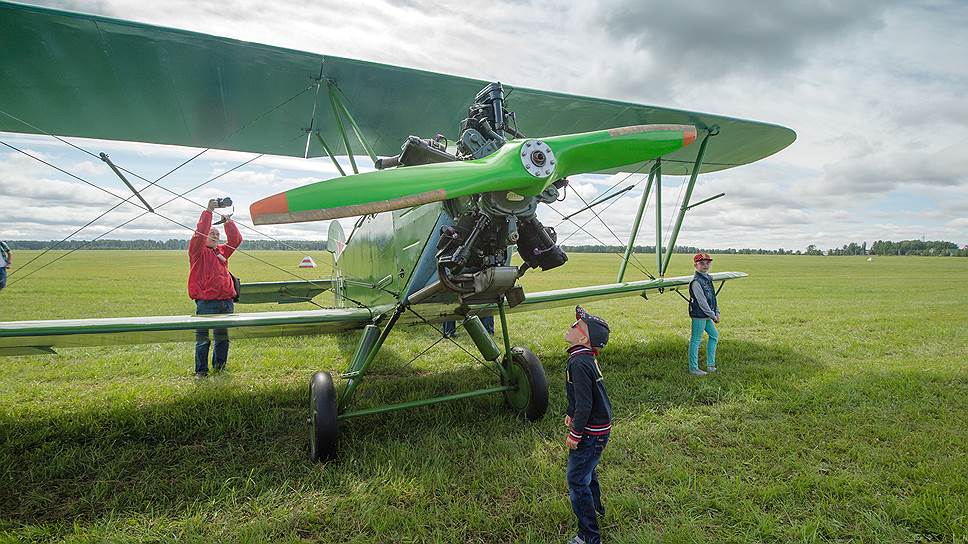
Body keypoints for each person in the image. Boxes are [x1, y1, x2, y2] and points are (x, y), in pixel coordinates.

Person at [563, 305, 612, 544]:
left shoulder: (578, 363)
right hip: (599, 428)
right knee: (588, 471)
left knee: (576, 479)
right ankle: (597, 509)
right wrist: (571, 412)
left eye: (577, 326)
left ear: (583, 338)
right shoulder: (584, 358)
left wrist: (575, 433)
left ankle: (588, 536)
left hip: (591, 433)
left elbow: (585, 403)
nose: (572, 326)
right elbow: (582, 395)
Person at [188, 200, 242, 378]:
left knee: (222, 339)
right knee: (203, 340)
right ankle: (201, 371)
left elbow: (236, 240)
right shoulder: (197, 251)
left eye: (217, 234)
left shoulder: (222, 252)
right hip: (206, 303)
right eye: (211, 233)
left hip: (225, 302)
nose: (214, 235)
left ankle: (219, 369)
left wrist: (228, 223)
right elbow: (200, 232)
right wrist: (209, 211)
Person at [688, 252, 719, 376]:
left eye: (707, 263)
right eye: (702, 263)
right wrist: (713, 315)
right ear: (696, 265)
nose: (705, 265)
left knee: (714, 336)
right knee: (696, 340)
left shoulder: (708, 278)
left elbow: (713, 297)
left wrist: (717, 311)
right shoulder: (696, 282)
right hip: (699, 314)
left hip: (708, 314)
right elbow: (702, 303)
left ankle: (710, 365)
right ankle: (693, 368)